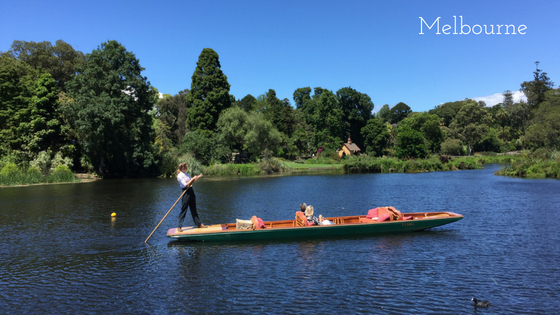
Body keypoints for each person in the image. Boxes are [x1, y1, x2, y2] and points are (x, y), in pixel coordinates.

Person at [176, 163, 207, 231]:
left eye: (186, 167)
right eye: (185, 167)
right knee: (184, 209)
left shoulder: (186, 174)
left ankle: (199, 224)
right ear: (182, 168)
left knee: (193, 209)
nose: (186, 168)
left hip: (191, 191)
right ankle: (179, 226)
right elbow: (186, 185)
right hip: (186, 192)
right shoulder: (180, 176)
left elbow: (192, 181)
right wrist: (192, 179)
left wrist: (198, 177)